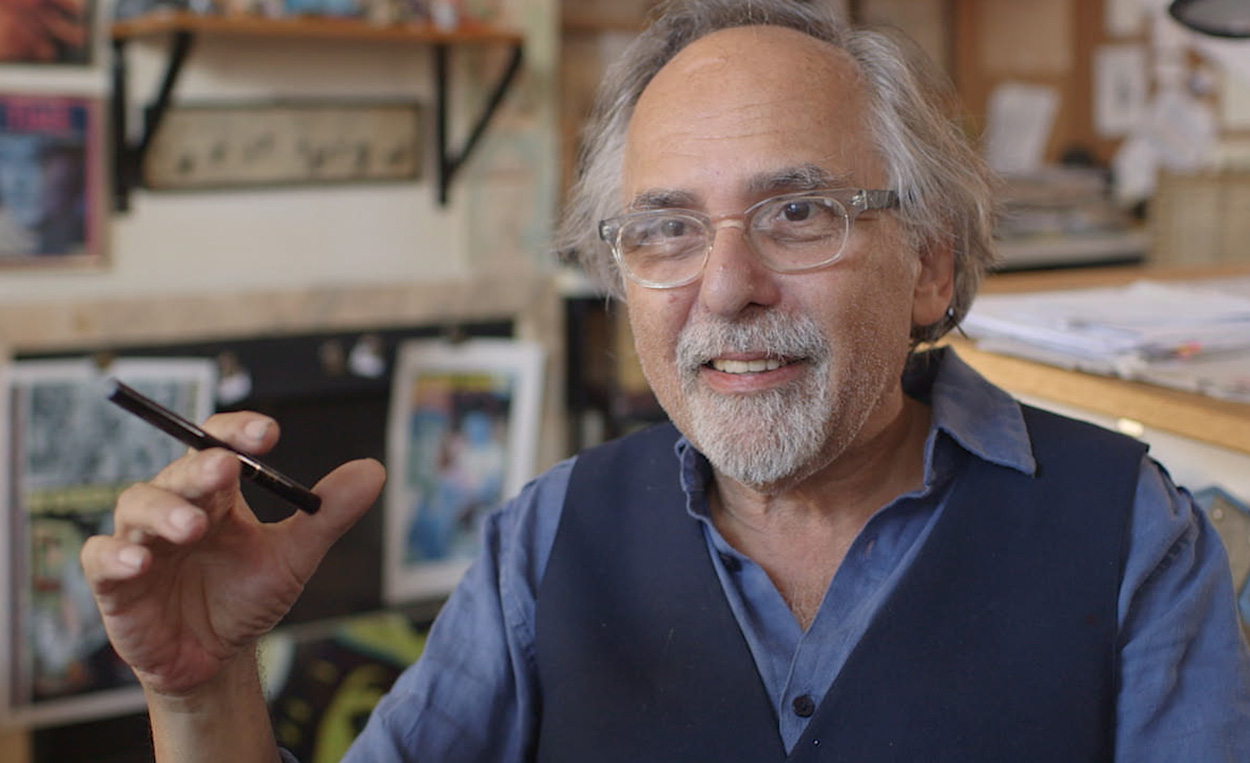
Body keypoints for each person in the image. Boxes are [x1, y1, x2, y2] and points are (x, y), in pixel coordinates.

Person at [81, 0, 1250, 760]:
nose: (725, 286)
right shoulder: (547, 537)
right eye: (666, 229)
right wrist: (203, 691)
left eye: (799, 212)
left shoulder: (1129, 534)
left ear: (928, 264)